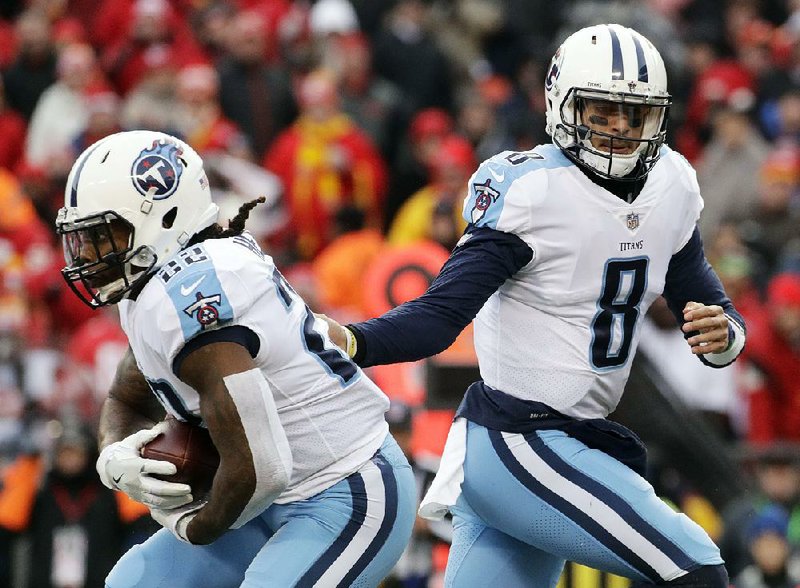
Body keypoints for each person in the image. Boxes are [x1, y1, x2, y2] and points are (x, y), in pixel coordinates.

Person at [321, 24, 747, 587]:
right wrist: (352, 340)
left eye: (635, 114)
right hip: (520, 442)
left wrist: (727, 334)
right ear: (562, 104)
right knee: (697, 567)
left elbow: (704, 300)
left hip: (566, 441)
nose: (620, 130)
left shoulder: (670, 183)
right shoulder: (530, 190)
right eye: (602, 111)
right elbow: (437, 318)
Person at [55, 130, 415, 587]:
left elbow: (261, 467)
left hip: (343, 489)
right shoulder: (152, 289)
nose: (86, 254)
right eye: (83, 238)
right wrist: (114, 455)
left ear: (163, 218)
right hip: (260, 499)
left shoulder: (191, 298)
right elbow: (127, 398)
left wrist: (188, 523)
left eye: (103, 235)